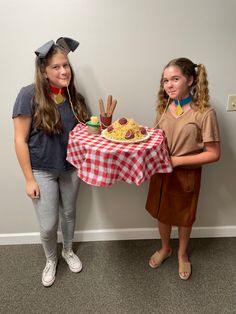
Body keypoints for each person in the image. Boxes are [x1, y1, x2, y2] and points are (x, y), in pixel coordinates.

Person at [12, 37, 89, 287]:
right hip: (42, 171)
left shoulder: (74, 97)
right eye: (56, 66)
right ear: (44, 71)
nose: (64, 71)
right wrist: (28, 179)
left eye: (65, 65)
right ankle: (51, 258)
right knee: (48, 225)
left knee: (69, 214)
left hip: (71, 168)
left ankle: (67, 251)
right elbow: (20, 140)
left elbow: (85, 134)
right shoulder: (28, 95)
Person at [145, 57, 220, 280]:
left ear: (190, 80)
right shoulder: (163, 108)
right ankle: (166, 248)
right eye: (165, 80)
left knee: (184, 217)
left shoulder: (204, 113)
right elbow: (157, 139)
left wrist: (176, 161)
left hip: (186, 174)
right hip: (161, 171)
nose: (169, 85)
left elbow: (214, 153)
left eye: (175, 79)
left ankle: (182, 253)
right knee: (162, 212)